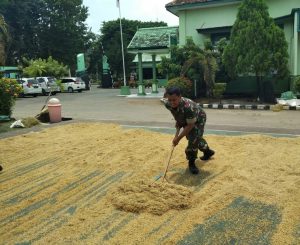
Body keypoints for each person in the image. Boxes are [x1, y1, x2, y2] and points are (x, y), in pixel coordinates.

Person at [163, 86, 215, 174]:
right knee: (196, 138)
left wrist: (178, 139)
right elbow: (175, 112)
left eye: (174, 100)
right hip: (186, 118)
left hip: (198, 119)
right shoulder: (167, 103)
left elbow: (190, 125)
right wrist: (178, 121)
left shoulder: (188, 107)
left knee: (193, 140)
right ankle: (208, 152)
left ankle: (191, 163)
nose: (172, 102)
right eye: (170, 100)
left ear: (180, 97)